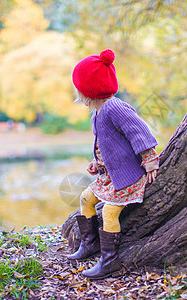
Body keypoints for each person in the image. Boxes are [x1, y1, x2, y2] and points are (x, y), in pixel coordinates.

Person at [68, 49, 159, 280]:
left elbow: (138, 132)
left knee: (109, 212)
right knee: (86, 199)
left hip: (128, 177)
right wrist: (97, 163)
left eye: (79, 88)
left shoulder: (114, 108)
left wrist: (149, 159)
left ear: (88, 91)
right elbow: (108, 146)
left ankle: (110, 262)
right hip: (110, 176)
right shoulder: (97, 114)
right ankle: (90, 245)